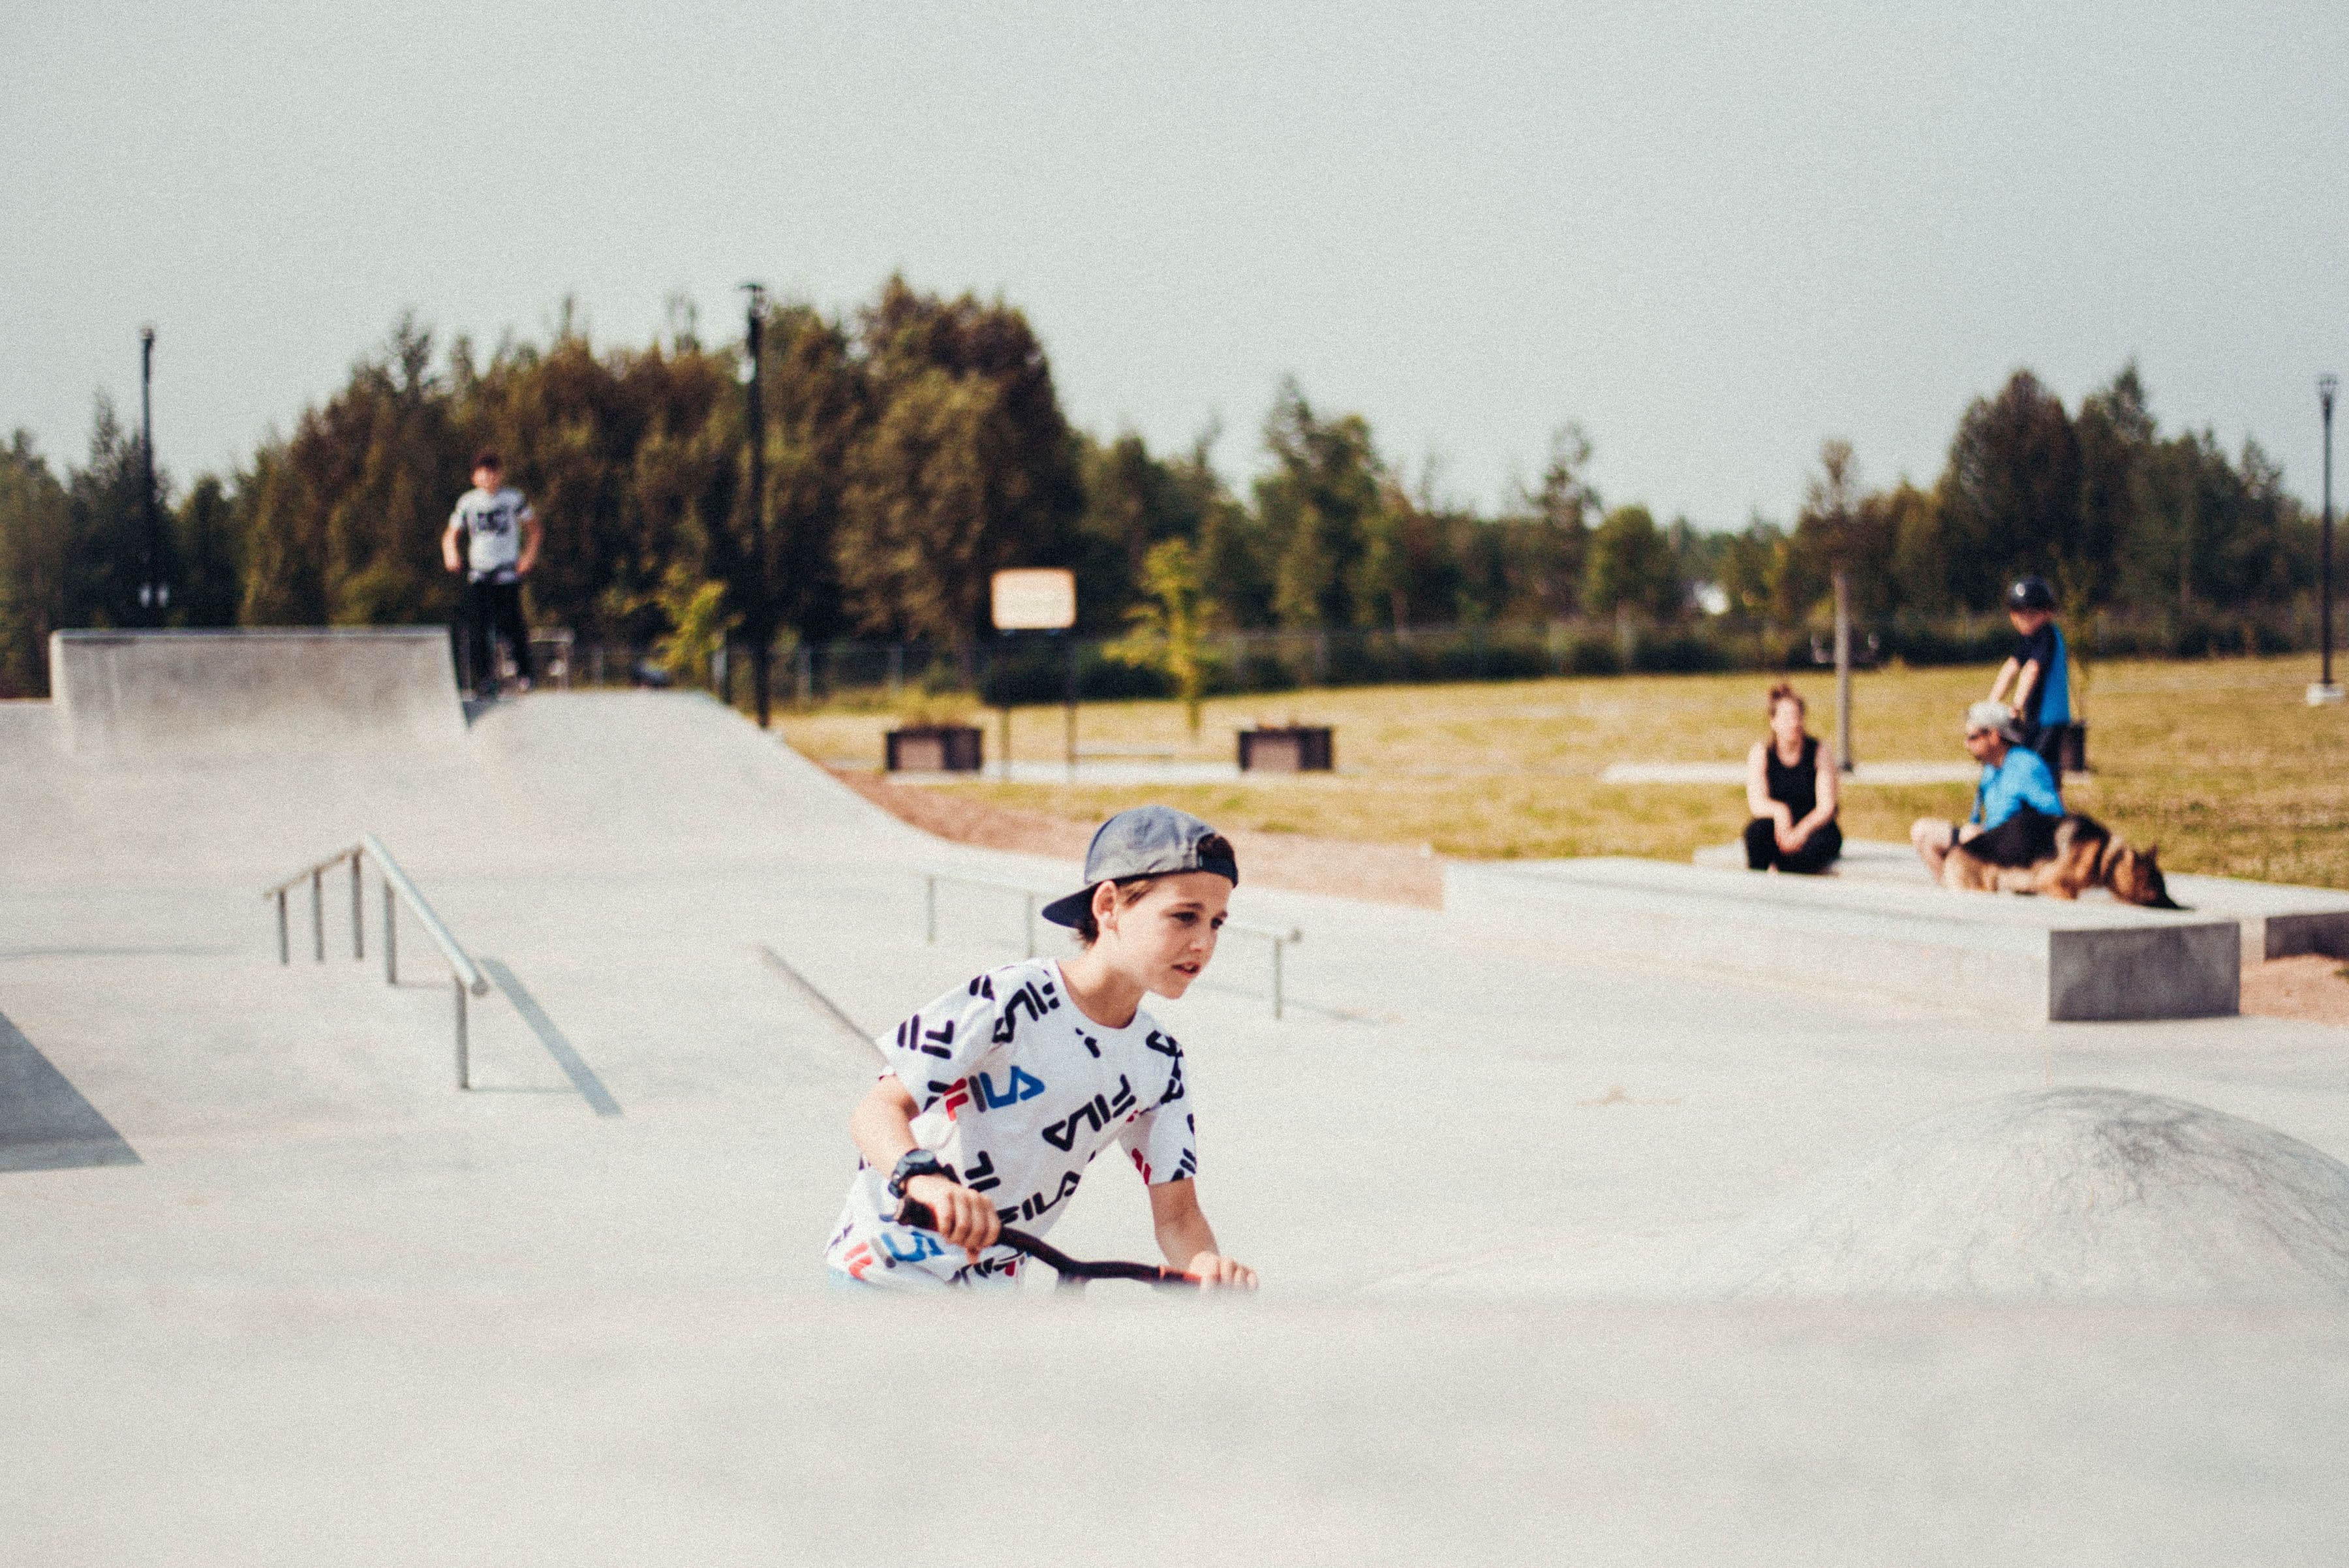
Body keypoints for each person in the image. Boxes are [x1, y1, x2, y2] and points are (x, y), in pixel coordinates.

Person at [823, 806, 1258, 1291]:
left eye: (1216, 923)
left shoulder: (1159, 1060)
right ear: (1108, 905)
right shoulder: (1011, 997)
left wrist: (1208, 1267)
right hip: (883, 1271)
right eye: (1184, 916)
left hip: (991, 1300)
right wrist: (924, 1180)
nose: (1202, 942)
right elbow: (875, 1110)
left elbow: (1177, 1216)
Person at [1911, 701, 2066, 879]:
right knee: (1923, 832)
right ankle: (1955, 894)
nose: (1966, 744)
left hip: (2020, 850)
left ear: (1993, 735)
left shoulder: (2026, 766)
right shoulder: (1990, 769)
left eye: (1972, 737)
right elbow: (1977, 821)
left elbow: (2055, 818)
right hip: (1992, 842)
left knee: (1971, 837)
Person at [442, 450, 542, 700]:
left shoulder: (512, 499)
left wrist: (528, 557)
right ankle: (483, 680)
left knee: (513, 625)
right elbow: (450, 535)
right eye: (484, 473)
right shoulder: (468, 503)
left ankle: (524, 674)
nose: (489, 478)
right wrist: (451, 554)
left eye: (493, 472)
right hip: (479, 574)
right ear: (475, 477)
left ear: (500, 474)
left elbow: (534, 529)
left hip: (506, 572)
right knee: (478, 629)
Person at [1743, 683, 1841, 874]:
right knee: (1756, 833)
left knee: (1808, 851)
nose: (1794, 723)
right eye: (1787, 717)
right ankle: (1756, 893)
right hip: (1780, 826)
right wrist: (1780, 812)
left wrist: (1800, 832)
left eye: (1797, 716)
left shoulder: (1819, 751)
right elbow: (1757, 803)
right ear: (1773, 721)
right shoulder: (1761, 753)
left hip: (1814, 827)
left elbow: (1826, 807)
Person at [1988, 574, 2071, 777]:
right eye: (2018, 612)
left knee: (2037, 768)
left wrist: (2016, 705)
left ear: (2047, 613)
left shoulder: (2047, 635)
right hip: (2037, 718)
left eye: (2032, 612)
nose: (2024, 618)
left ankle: (2051, 808)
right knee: (2040, 768)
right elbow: (2011, 668)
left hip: (2050, 718)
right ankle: (2048, 807)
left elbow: (2031, 671)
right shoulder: (2029, 638)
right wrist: (1990, 704)